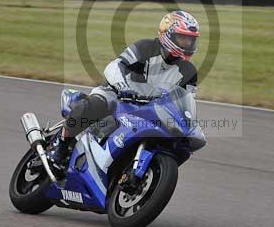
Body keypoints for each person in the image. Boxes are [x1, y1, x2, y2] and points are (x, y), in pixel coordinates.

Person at [46, 10, 200, 172]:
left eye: (191, 40)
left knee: (177, 143)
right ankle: (60, 147)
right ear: (167, 34)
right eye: (183, 38)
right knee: (95, 105)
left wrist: (189, 122)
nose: (187, 44)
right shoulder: (145, 47)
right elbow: (116, 66)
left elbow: (186, 101)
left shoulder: (189, 72)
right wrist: (123, 87)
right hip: (118, 96)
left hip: (151, 111)